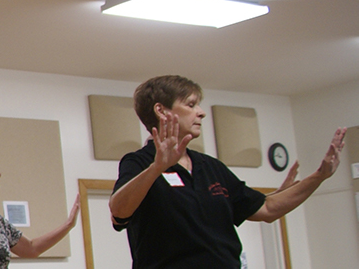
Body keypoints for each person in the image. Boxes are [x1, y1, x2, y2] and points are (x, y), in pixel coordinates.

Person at [110, 75, 347, 268]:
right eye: (191, 105)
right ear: (161, 111)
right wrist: (157, 168)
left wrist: (319, 176)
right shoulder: (138, 162)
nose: (201, 112)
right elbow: (119, 211)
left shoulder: (211, 167)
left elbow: (267, 208)